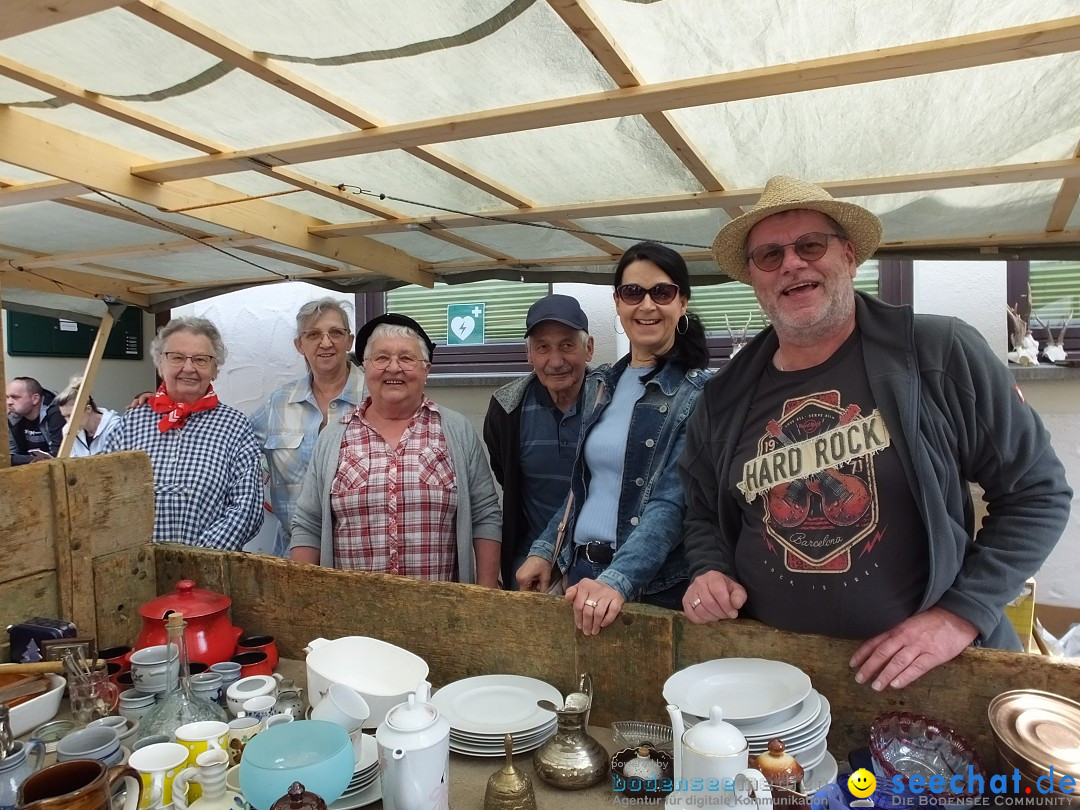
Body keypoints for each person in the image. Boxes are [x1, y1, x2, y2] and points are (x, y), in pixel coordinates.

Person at [680, 175, 1071, 689]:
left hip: (928, 679)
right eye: (770, 255)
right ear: (754, 278)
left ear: (850, 255)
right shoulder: (722, 395)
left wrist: (959, 615)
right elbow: (703, 509)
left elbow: (1036, 493)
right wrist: (708, 569)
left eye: (811, 245)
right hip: (773, 674)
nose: (792, 263)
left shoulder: (939, 352)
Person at [517, 242, 710, 635]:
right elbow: (585, 487)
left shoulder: (701, 394)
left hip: (650, 588)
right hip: (583, 574)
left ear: (682, 303)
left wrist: (618, 579)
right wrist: (545, 551)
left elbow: (672, 504)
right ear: (618, 303)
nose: (647, 305)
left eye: (662, 292)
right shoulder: (601, 385)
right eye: (633, 292)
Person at [289, 314, 502, 586]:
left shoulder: (456, 431)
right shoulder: (333, 438)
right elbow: (308, 523)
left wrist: (485, 597)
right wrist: (301, 595)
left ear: (426, 369)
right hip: (352, 613)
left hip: (441, 614)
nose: (393, 368)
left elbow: (485, 514)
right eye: (381, 358)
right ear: (365, 368)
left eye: (407, 358)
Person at [105, 316, 263, 549]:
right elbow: (106, 498)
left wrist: (197, 558)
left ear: (215, 369)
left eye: (201, 360)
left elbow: (247, 508)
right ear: (160, 363)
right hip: (137, 569)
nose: (188, 368)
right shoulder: (129, 424)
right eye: (177, 357)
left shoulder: (235, 427)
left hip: (208, 570)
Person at [484, 294, 594, 588]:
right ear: (529, 354)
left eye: (567, 346)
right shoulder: (507, 410)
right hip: (529, 561)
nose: (555, 361)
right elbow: (507, 477)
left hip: (597, 561)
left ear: (589, 349)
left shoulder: (612, 404)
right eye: (543, 348)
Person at [250, 298, 365, 557]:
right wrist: (164, 400)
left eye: (336, 332)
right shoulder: (279, 403)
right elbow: (229, 442)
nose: (326, 343)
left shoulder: (374, 398)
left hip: (360, 559)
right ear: (299, 345)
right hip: (292, 556)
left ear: (350, 340)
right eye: (313, 334)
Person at [53, 376, 121, 456]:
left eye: (71, 416)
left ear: (88, 409)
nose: (68, 421)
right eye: (65, 416)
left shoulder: (114, 426)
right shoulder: (67, 430)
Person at [7, 376, 64, 464]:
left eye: (15, 397)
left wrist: (23, 459)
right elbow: (9, 457)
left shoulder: (56, 413)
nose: (9, 402)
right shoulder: (12, 418)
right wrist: (36, 459)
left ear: (35, 399)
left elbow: (59, 455)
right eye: (7, 397)